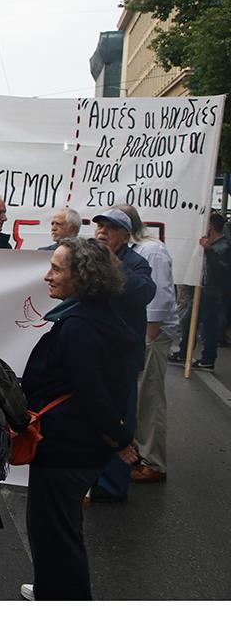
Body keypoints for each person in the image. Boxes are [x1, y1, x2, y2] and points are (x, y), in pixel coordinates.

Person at [20, 238, 139, 600]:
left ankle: (64, 596)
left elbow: (93, 394)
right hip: (76, 446)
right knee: (58, 528)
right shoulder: (97, 315)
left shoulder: (79, 326)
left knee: (55, 531)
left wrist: (119, 438)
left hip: (66, 449)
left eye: (56, 268)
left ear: (82, 276)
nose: (47, 276)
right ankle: (53, 588)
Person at [89, 208, 155, 503]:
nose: (102, 232)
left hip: (121, 358)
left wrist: (114, 264)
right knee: (93, 414)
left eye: (111, 228)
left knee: (118, 419)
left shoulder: (136, 263)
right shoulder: (89, 258)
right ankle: (90, 476)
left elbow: (143, 293)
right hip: (92, 353)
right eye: (100, 226)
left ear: (126, 236)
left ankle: (113, 485)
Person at [118, 205, 178, 484]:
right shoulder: (137, 250)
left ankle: (154, 462)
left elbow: (160, 297)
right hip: (142, 334)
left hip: (152, 334)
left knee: (149, 399)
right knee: (137, 399)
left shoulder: (151, 250)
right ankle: (139, 454)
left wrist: (148, 335)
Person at [170, 212, 231, 370]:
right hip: (208, 290)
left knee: (193, 322)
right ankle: (201, 356)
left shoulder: (223, 246)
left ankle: (190, 353)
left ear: (210, 226)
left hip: (213, 292)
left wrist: (208, 250)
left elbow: (221, 269)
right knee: (205, 326)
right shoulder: (216, 245)